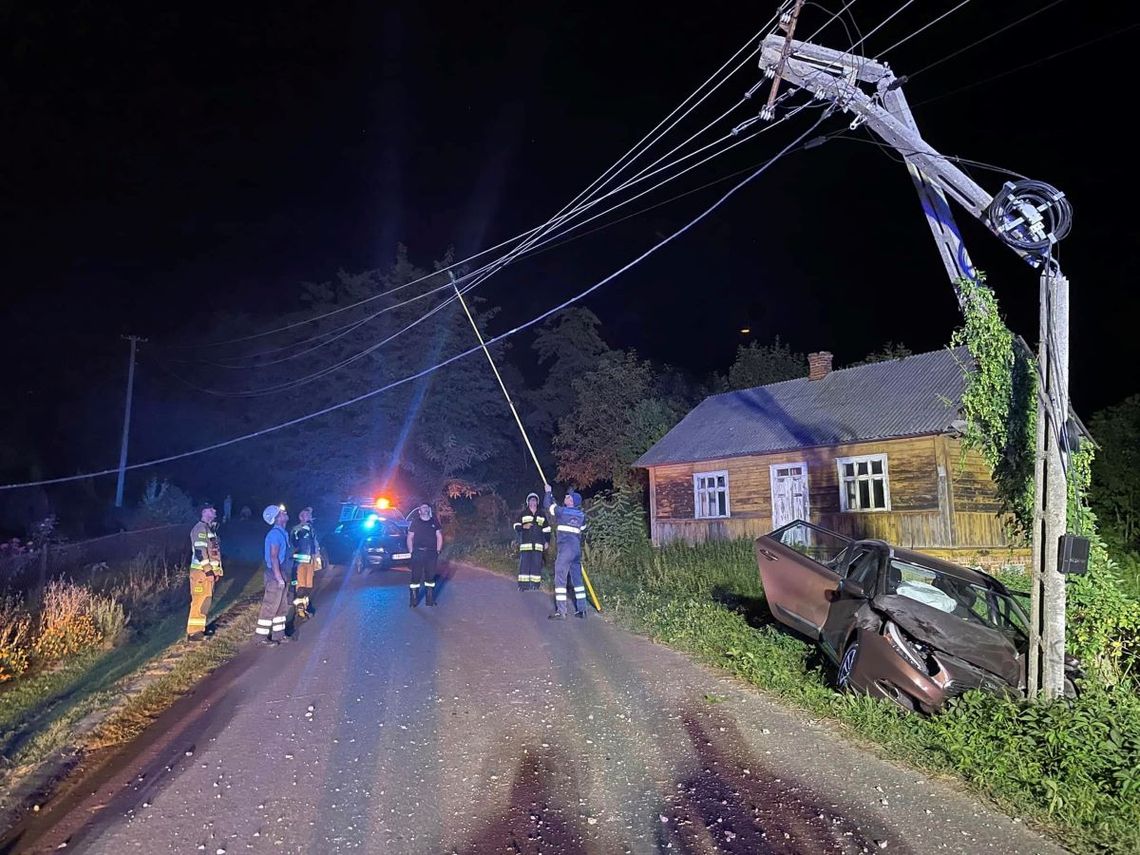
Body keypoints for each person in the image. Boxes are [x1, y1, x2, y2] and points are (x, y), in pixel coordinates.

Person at [544, 484, 587, 620]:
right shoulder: (581, 515)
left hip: (565, 550)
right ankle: (582, 610)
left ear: (572, 501)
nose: (566, 497)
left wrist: (548, 492)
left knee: (560, 578)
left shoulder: (562, 512)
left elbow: (547, 505)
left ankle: (561, 612)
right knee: (577, 580)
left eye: (568, 497)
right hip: (576, 551)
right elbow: (583, 528)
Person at [186, 502, 223, 641]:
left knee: (205, 601)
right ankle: (194, 633)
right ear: (203, 512)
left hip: (208, 574)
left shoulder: (209, 529)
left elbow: (213, 552)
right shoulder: (200, 529)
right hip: (201, 573)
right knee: (199, 601)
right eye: (211, 509)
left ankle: (200, 629)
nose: (214, 511)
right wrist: (208, 571)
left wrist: (216, 571)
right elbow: (200, 552)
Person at [258, 504, 293, 645]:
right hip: (275, 574)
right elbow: (274, 557)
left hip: (282, 571)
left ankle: (279, 635)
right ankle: (260, 638)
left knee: (281, 606)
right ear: (277, 518)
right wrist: (279, 578)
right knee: (270, 605)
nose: (285, 513)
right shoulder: (274, 534)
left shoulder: (282, 532)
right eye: (282, 512)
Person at [407, 502, 442, 607]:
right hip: (418, 552)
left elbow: (439, 536)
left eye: (427, 507)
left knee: (430, 578)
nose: (426, 509)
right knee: (415, 577)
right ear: (419, 511)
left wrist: (438, 550)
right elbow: (410, 537)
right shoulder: (415, 522)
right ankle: (413, 601)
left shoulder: (434, 522)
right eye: (423, 507)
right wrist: (411, 551)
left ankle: (430, 601)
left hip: (431, 553)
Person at [513, 492, 550, 591]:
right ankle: (522, 586)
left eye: (535, 500)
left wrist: (547, 541)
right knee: (524, 565)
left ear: (537, 502)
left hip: (538, 545)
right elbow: (515, 526)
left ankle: (535, 585)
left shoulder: (541, 514)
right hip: (526, 545)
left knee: (536, 565)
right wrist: (523, 526)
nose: (533, 501)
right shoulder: (523, 513)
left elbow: (547, 529)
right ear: (528, 502)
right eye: (531, 500)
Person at [291, 506, 322, 619]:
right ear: (301, 517)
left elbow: (314, 544)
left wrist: (317, 558)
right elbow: (294, 544)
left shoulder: (310, 528)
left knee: (308, 585)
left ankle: (305, 606)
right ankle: (300, 609)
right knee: (301, 585)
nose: (310, 517)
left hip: (309, 559)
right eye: (307, 515)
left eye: (310, 515)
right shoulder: (298, 529)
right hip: (301, 561)